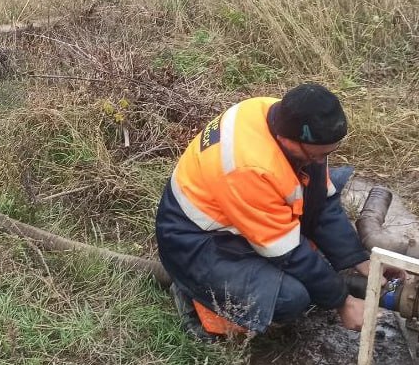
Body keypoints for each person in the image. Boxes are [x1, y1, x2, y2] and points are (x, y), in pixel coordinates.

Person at [155, 83, 374, 340]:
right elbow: (288, 253)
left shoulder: (283, 116)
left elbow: (322, 202)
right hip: (192, 239)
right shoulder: (248, 166)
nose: (321, 160)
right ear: (286, 139)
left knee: (309, 263)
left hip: (235, 216)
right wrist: (343, 302)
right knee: (290, 298)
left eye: (328, 153)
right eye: (317, 155)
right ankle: (194, 298)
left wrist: (360, 260)